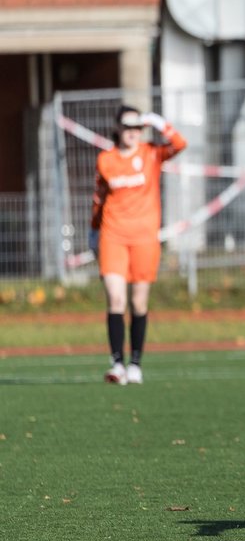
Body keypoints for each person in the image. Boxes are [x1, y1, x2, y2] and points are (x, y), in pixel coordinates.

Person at [90, 106, 187, 385]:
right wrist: (93, 230)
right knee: (116, 299)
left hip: (144, 237)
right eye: (127, 126)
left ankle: (135, 363)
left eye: (137, 127)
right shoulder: (106, 159)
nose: (132, 132)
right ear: (117, 127)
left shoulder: (151, 153)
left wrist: (158, 122)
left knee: (139, 302)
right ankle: (117, 363)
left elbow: (179, 144)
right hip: (113, 236)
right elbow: (98, 198)